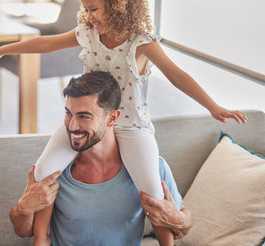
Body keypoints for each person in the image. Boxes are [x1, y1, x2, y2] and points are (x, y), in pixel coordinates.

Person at [0, 0, 245, 245]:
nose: (89, 17)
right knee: (43, 172)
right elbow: (46, 43)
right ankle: (41, 240)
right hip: (90, 120)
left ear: (117, 6)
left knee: (152, 191)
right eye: (86, 10)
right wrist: (3, 50)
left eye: (94, 9)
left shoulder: (141, 43)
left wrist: (213, 107)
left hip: (131, 126)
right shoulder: (87, 33)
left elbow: (177, 75)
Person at [10, 71, 192, 245]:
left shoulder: (150, 168)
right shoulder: (56, 169)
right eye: (68, 114)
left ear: (112, 118)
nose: (72, 126)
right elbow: (25, 232)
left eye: (84, 116)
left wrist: (180, 220)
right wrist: (23, 208)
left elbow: (181, 230)